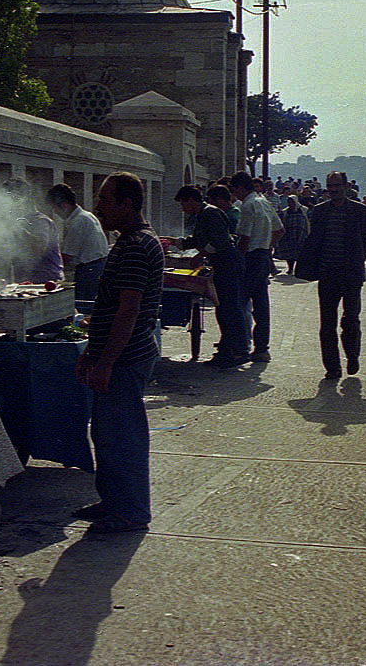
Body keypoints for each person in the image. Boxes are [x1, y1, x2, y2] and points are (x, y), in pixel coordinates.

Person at [74, 172, 163, 533]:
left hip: (127, 358)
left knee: (122, 436)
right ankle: (113, 501)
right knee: (108, 434)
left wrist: (106, 362)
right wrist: (92, 353)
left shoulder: (135, 247)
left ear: (127, 205)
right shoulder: (131, 242)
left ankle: (130, 511)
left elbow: (128, 311)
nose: (98, 207)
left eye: (105, 200)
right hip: (120, 355)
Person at [295, 171, 366, 378]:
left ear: (346, 186)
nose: (333, 190)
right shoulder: (320, 211)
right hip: (327, 273)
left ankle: (352, 354)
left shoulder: (358, 210)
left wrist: (357, 261)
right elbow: (314, 240)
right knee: (327, 323)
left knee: (350, 319)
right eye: (330, 186)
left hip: (351, 274)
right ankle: (332, 367)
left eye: (337, 186)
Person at [166, 185, 247, 368]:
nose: (183, 209)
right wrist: (175, 242)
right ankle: (226, 351)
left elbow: (220, 241)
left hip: (229, 264)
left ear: (191, 200)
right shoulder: (202, 215)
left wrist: (200, 255)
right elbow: (197, 240)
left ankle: (239, 351)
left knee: (230, 309)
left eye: (183, 204)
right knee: (223, 310)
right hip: (222, 265)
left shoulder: (210, 213)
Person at [230, 171, 282, 364]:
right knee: (261, 305)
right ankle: (261, 348)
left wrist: (239, 260)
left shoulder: (248, 205)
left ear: (241, 188)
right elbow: (279, 230)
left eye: (235, 191)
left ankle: (241, 348)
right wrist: (267, 246)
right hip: (261, 257)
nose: (235, 195)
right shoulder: (264, 202)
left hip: (251, 257)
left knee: (240, 303)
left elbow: (244, 237)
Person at [46, 183, 109, 303]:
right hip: (96, 267)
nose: (56, 213)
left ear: (64, 205)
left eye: (55, 209)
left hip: (89, 271)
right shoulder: (86, 215)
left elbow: (68, 255)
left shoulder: (78, 222)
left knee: (83, 306)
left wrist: (51, 269)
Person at [276, 194, 309, 275]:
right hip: (289, 234)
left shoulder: (304, 210)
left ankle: (299, 269)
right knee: (289, 253)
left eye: (292, 202)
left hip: (300, 234)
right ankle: (290, 268)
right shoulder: (285, 212)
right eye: (289, 202)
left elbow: (309, 220)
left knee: (300, 252)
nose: (290, 203)